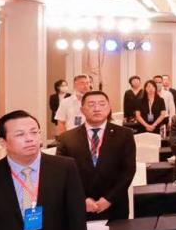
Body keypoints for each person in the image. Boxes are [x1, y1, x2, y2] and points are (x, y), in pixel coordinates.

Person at [55, 90, 136, 221]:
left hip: (115, 206)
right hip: (78, 208)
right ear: (82, 110)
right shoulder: (67, 138)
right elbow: (61, 174)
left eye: (102, 104)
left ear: (109, 108)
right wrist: (82, 199)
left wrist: (109, 199)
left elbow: (128, 171)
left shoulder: (125, 135)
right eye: (91, 104)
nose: (97, 108)